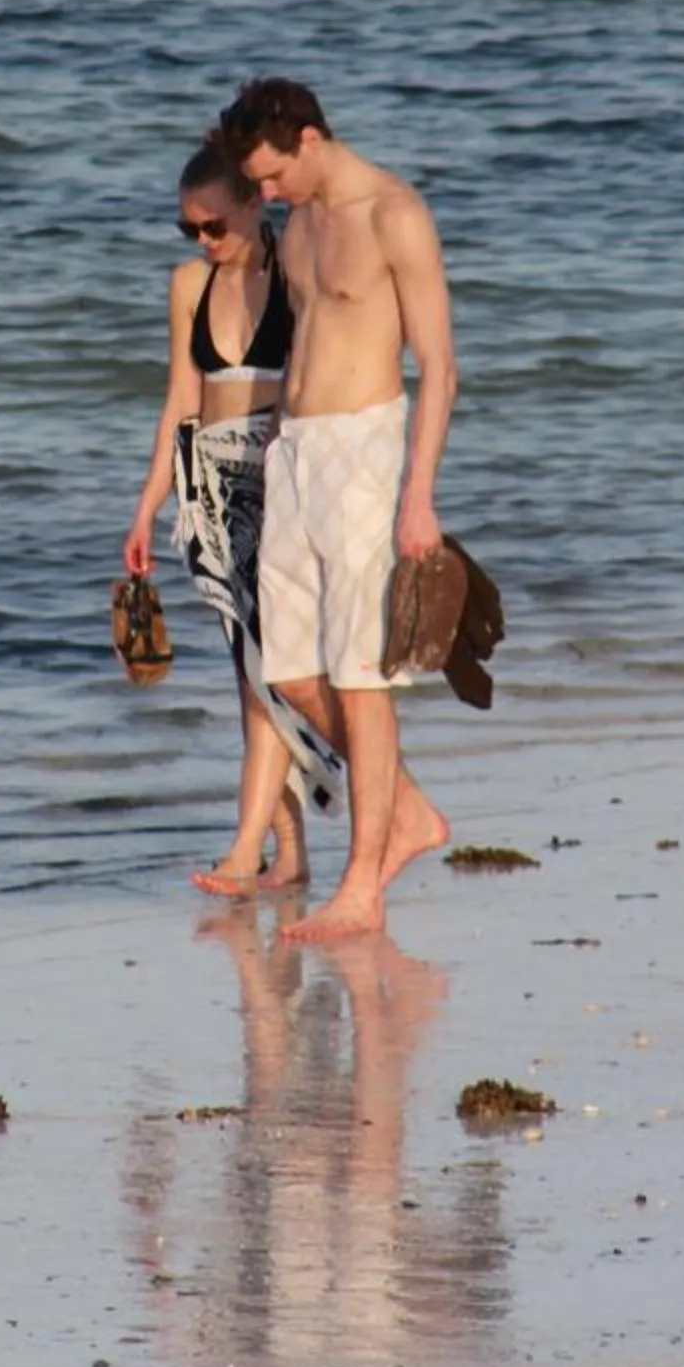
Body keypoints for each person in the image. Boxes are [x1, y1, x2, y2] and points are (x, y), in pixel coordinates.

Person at [215, 77, 456, 943]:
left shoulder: (395, 213)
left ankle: (364, 886)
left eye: (272, 176)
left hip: (365, 451)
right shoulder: (301, 221)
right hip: (296, 452)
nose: (265, 195)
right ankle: (412, 812)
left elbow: (439, 363)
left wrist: (418, 495)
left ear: (309, 140)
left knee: (361, 678)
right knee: (285, 671)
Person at [124, 136, 344, 896]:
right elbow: (180, 402)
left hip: (279, 485)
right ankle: (291, 854)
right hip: (209, 493)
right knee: (249, 676)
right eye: (190, 229)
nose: (204, 241)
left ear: (255, 203)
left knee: (269, 676)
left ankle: (249, 850)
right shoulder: (189, 285)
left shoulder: (295, 274)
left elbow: (319, 386)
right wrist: (148, 506)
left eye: (214, 225)